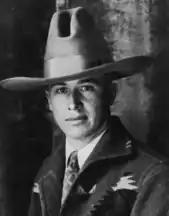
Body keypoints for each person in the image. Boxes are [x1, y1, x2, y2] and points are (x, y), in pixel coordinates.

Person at [1, 6, 169, 216]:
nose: (73, 103)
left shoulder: (152, 176)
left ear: (110, 93)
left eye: (86, 87)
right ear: (49, 101)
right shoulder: (49, 171)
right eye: (61, 90)